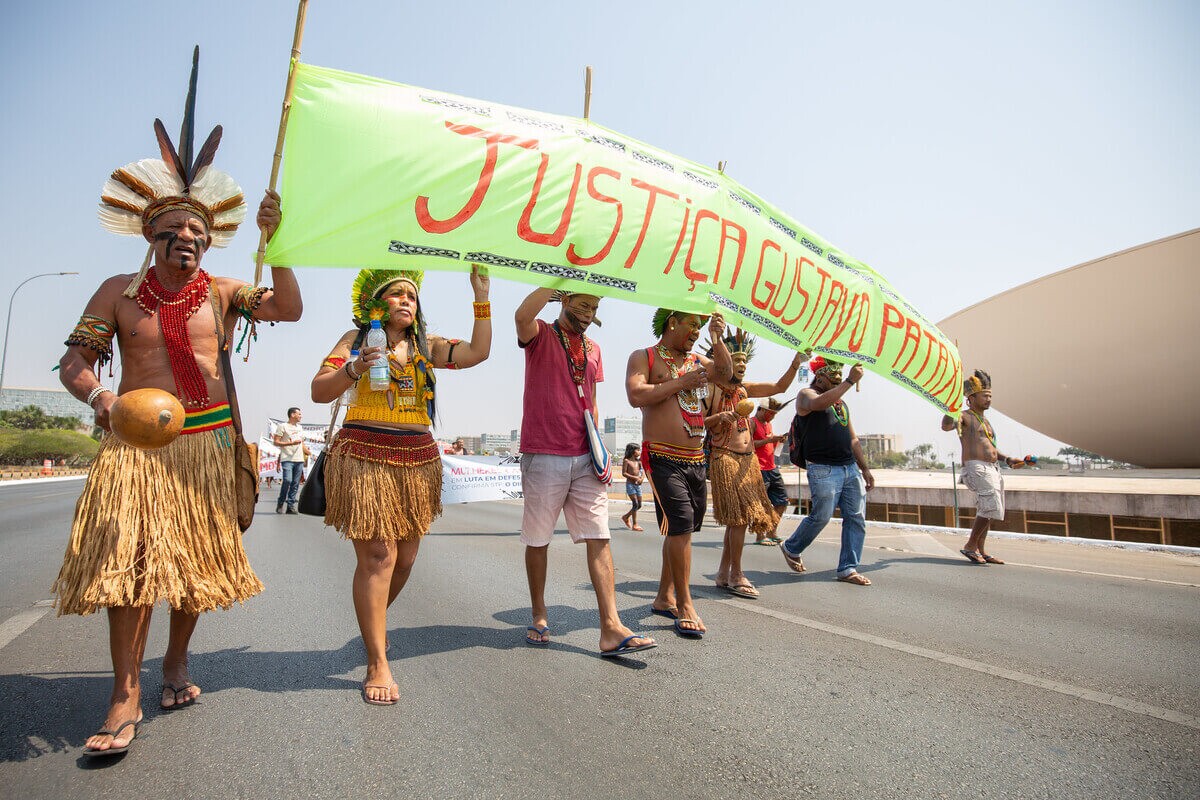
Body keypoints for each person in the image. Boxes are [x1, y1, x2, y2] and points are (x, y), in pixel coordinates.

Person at [53, 54, 302, 756]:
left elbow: (286, 305)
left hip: (210, 443)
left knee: (195, 566)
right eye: (176, 234)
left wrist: (273, 241)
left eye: (199, 235)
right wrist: (103, 396)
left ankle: (177, 659)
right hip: (136, 446)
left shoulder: (224, 292)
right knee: (132, 568)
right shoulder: (116, 293)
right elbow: (75, 362)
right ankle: (123, 693)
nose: (189, 243)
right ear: (150, 237)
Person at [311, 266, 491, 704]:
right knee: (378, 555)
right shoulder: (353, 341)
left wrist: (481, 296)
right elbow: (319, 390)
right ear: (375, 305)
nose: (407, 301)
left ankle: (373, 623)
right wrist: (354, 368)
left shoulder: (426, 347)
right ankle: (377, 660)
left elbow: (477, 353)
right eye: (396, 295)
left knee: (405, 558)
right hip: (365, 453)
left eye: (412, 295)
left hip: (416, 458)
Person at [514, 288, 655, 658]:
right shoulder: (542, 333)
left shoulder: (594, 349)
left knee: (600, 536)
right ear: (564, 301)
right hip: (544, 452)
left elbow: (590, 397)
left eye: (594, 307)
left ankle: (610, 627)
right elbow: (520, 318)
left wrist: (600, 449)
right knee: (539, 540)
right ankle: (539, 614)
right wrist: (550, 285)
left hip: (585, 456)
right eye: (582, 305)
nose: (589, 312)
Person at [625, 308, 731, 638]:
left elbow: (726, 374)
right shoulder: (645, 356)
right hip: (661, 457)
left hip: (696, 458)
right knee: (682, 523)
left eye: (700, 327)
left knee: (682, 530)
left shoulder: (699, 361)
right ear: (672, 321)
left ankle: (662, 597)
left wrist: (717, 338)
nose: (696, 332)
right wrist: (680, 383)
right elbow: (635, 394)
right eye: (692, 325)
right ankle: (684, 604)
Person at [705, 332, 807, 598]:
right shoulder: (711, 388)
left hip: (748, 461)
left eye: (743, 361)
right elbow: (697, 422)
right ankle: (736, 574)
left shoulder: (744, 389)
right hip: (724, 457)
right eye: (735, 360)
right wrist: (720, 416)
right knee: (738, 520)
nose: (740, 365)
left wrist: (796, 362)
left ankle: (723, 573)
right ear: (722, 361)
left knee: (736, 522)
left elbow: (778, 388)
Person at [779, 357, 876, 586]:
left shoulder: (841, 404)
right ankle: (792, 546)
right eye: (833, 377)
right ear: (820, 376)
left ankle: (848, 568)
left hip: (850, 468)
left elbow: (853, 440)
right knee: (822, 516)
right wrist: (850, 381)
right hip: (822, 468)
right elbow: (819, 403)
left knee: (856, 517)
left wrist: (865, 469)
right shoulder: (806, 394)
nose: (837, 380)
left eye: (840, 377)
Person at [941, 369, 1026, 564]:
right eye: (984, 396)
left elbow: (991, 448)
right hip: (976, 468)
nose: (989, 399)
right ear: (971, 397)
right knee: (990, 506)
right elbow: (946, 426)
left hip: (992, 468)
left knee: (989, 510)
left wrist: (1008, 459)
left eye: (990, 396)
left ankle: (980, 549)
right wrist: (950, 406)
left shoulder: (985, 420)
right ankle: (970, 546)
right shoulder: (964, 416)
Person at [752, 398, 790, 543]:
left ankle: (771, 531)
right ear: (761, 410)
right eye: (770, 413)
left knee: (782, 501)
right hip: (758, 469)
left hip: (772, 467)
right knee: (761, 503)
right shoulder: (751, 423)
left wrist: (777, 441)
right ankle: (760, 535)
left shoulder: (769, 424)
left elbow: (769, 447)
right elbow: (747, 444)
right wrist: (769, 440)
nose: (772, 416)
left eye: (774, 414)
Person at [273, 407, 306, 514]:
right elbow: (276, 442)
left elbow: (302, 444)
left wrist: (309, 454)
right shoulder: (282, 426)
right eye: (299, 414)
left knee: (296, 483)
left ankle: (290, 506)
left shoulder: (300, 428)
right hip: (287, 458)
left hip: (299, 459)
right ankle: (281, 502)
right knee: (287, 480)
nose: (301, 416)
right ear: (292, 415)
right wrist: (290, 443)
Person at [620, 443, 645, 531]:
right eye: (637, 450)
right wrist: (634, 477)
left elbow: (642, 472)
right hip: (630, 485)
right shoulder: (626, 461)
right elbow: (624, 473)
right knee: (635, 504)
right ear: (632, 451)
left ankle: (626, 517)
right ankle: (635, 524)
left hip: (638, 485)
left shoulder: (639, 462)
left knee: (639, 505)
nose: (639, 452)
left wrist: (641, 479)